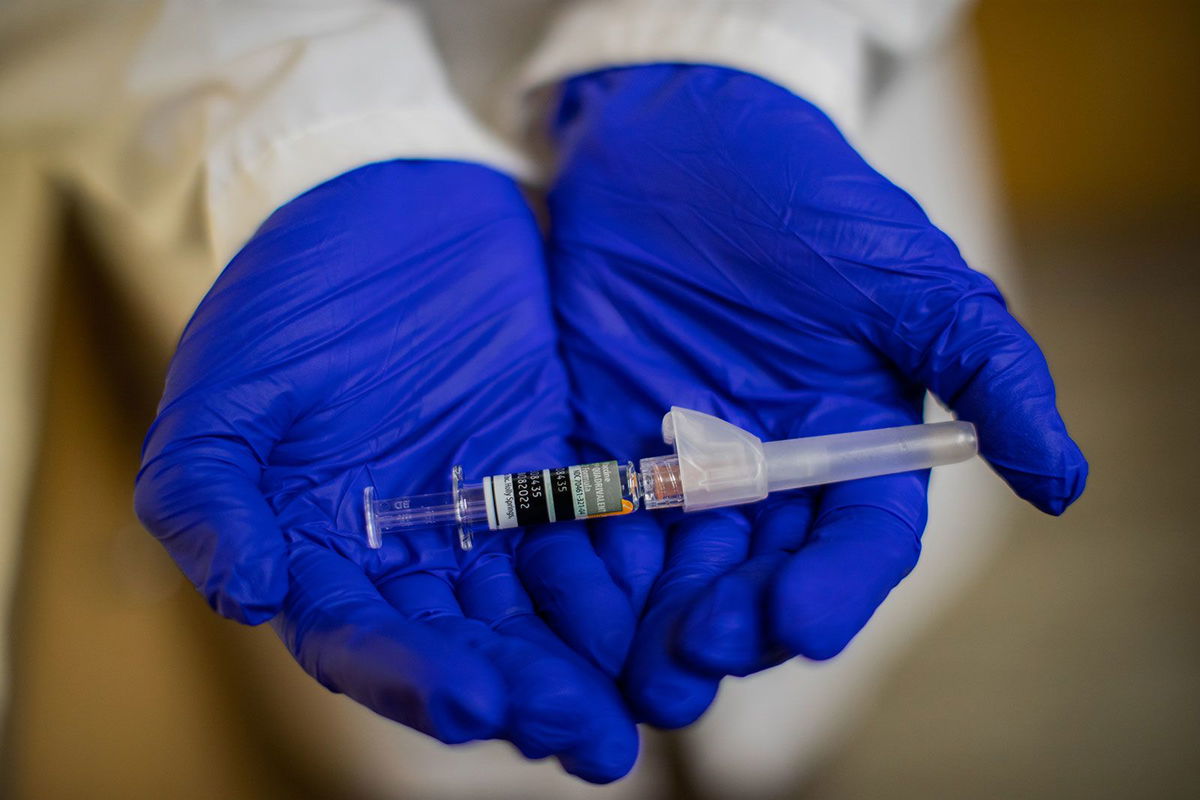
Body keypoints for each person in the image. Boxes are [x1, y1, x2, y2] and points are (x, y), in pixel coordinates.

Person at [0, 1, 1085, 795]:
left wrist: (731, 39)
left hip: (773, 176)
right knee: (480, 715)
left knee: (769, 676)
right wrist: (293, 114)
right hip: (293, 222)